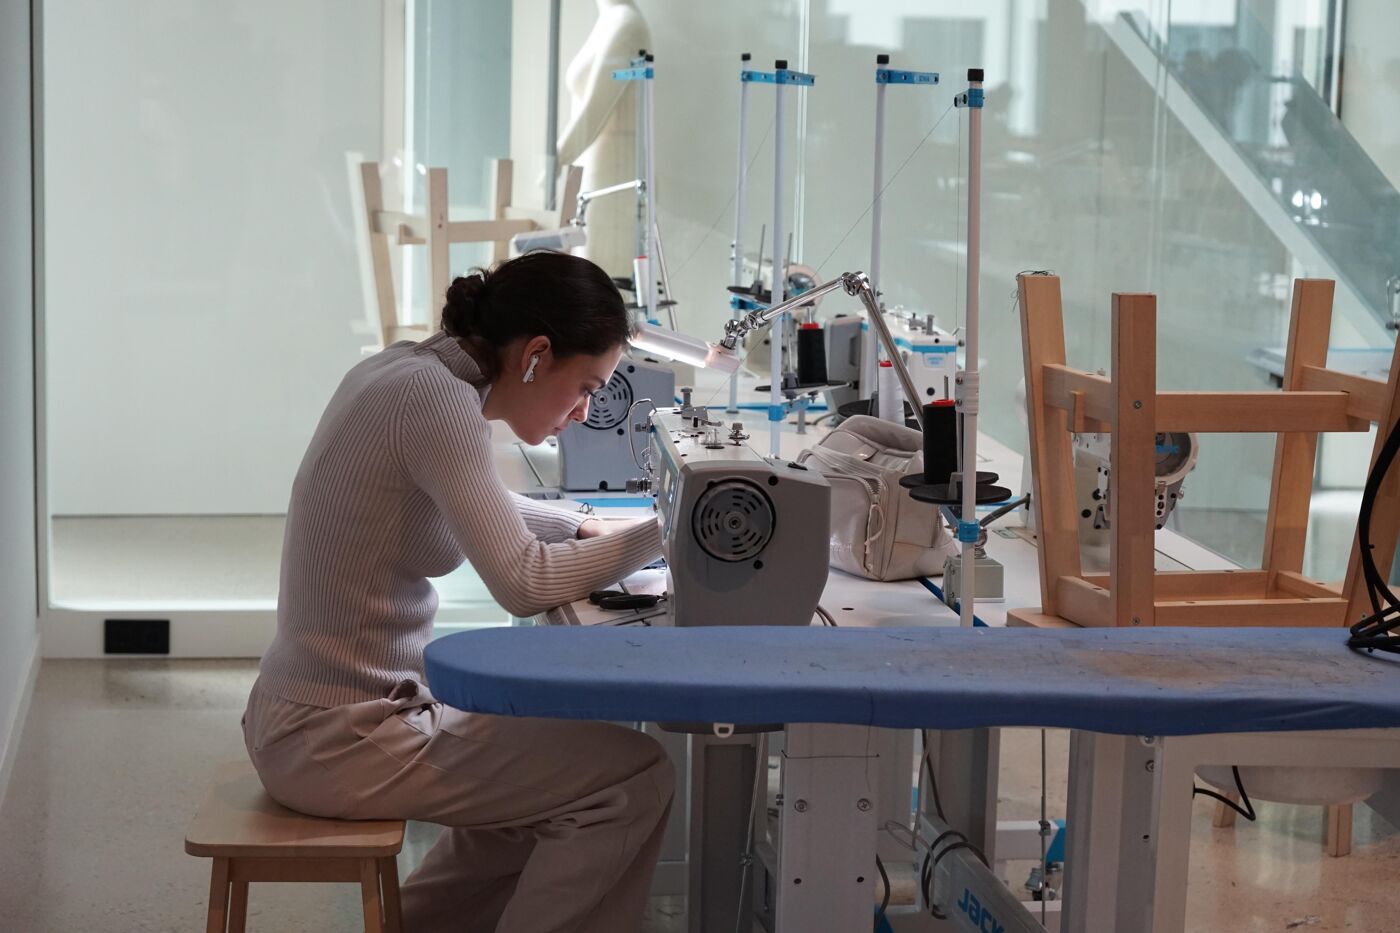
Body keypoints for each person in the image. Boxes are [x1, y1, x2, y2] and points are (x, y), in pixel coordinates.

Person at [242, 250, 674, 933]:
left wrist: (585, 523)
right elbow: (524, 581)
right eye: (586, 385)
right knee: (632, 778)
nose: (586, 410)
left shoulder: (405, 369)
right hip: (337, 738)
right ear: (535, 354)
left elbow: (468, 503)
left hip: (312, 718)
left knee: (545, 772)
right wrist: (666, 532)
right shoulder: (435, 400)